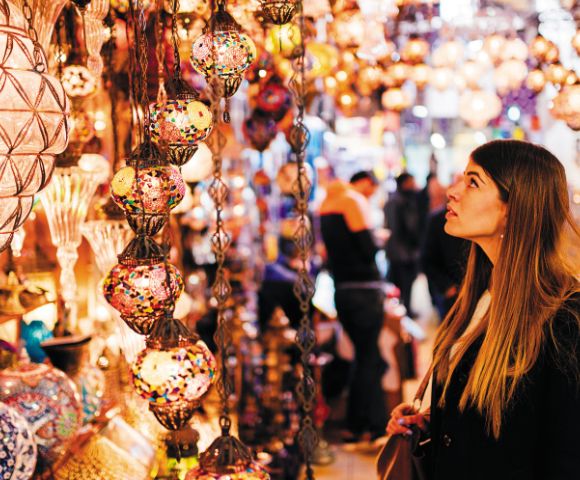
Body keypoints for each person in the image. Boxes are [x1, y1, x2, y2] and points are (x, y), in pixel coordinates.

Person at [386, 140, 580, 479]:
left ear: (513, 206)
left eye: (473, 182)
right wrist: (435, 420)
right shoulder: (479, 293)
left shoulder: (563, 317)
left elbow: (564, 452)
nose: (453, 191)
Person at [319, 170, 388, 443]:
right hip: (364, 291)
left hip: (344, 291)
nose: (370, 194)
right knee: (369, 359)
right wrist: (378, 240)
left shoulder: (326, 203)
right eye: (371, 189)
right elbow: (367, 248)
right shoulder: (352, 201)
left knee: (365, 357)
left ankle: (362, 424)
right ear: (363, 182)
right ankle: (367, 425)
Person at [384, 173, 422, 317]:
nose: (414, 184)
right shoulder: (402, 201)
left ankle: (403, 312)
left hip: (397, 251)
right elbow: (407, 228)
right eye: (411, 181)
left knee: (400, 283)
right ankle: (405, 313)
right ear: (405, 183)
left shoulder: (394, 199)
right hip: (403, 252)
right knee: (405, 283)